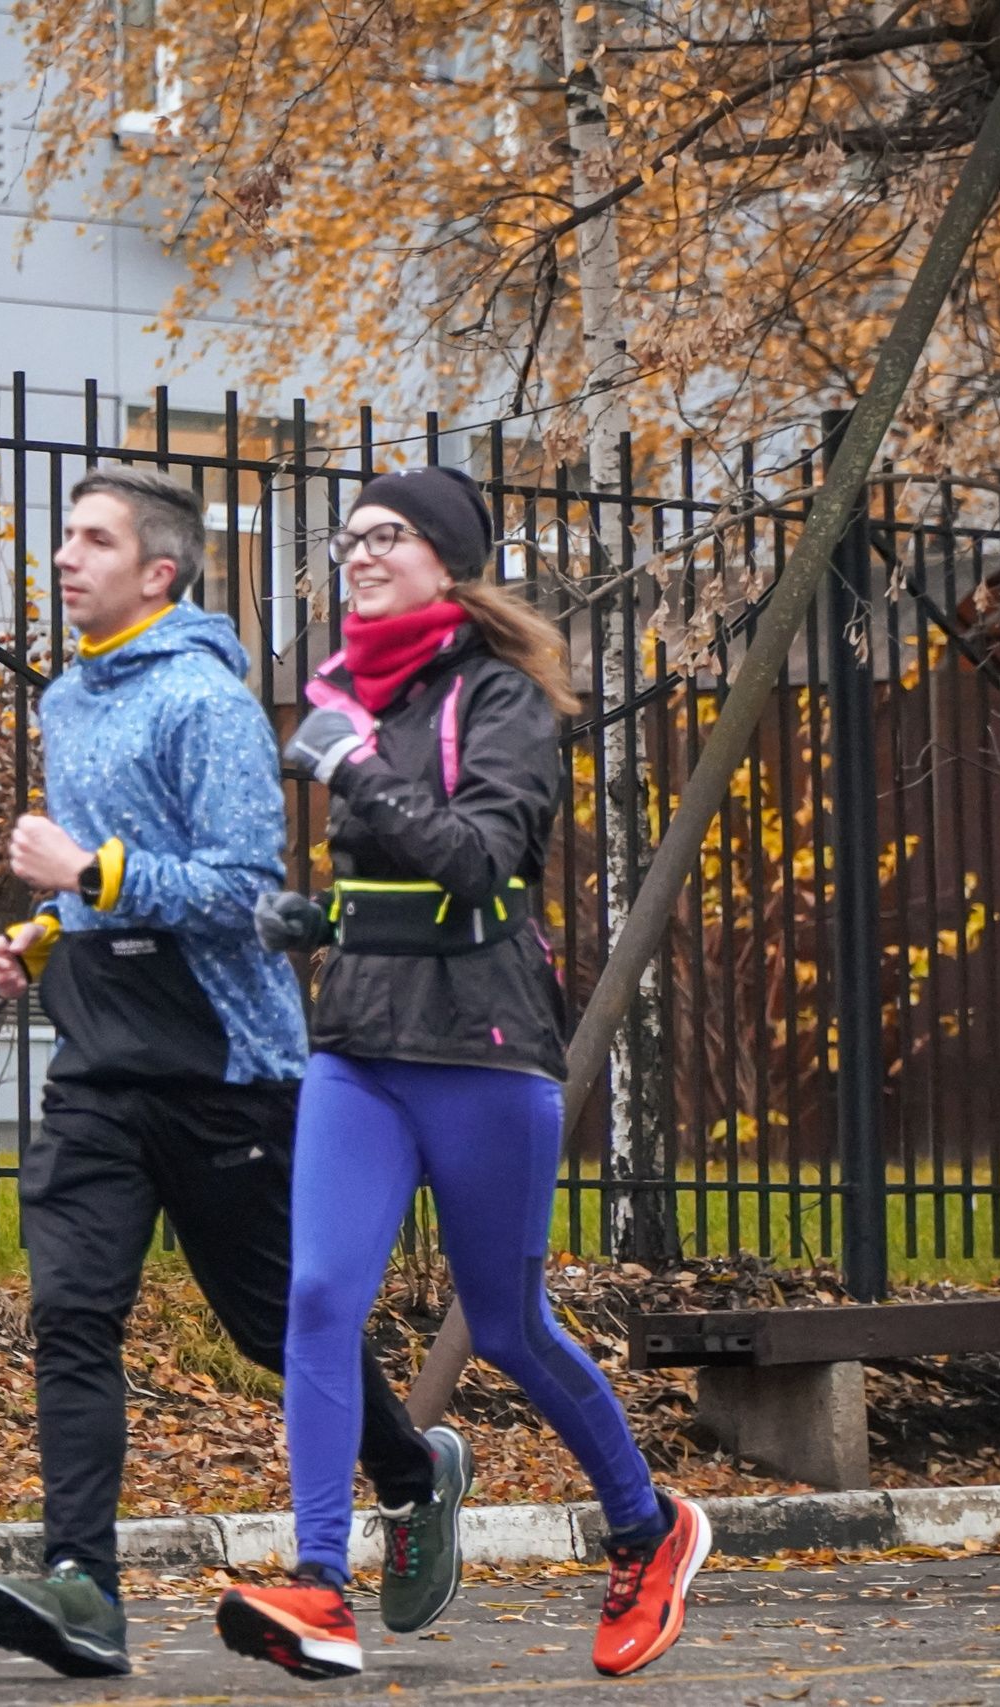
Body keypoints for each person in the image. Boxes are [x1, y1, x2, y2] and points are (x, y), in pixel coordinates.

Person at [0, 465, 471, 1679]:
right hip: (100, 1065)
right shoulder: (66, 699)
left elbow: (245, 891)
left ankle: (411, 1475)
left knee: (273, 1325)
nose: (64, 557)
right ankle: (83, 1584)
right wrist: (40, 935)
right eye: (65, 536)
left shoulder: (207, 703)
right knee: (71, 1315)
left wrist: (85, 873)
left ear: (159, 572)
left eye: (94, 540)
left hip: (224, 1068)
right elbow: (100, 889)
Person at [214, 466, 712, 1682]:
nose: (360, 552)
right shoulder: (356, 696)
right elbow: (398, 875)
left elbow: (480, 864)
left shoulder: (503, 700)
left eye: (387, 535)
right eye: (350, 537)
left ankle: (646, 1529)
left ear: (446, 560)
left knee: (505, 1326)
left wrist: (351, 767)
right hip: (360, 1049)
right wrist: (322, 919)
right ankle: (320, 1586)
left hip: (484, 1050)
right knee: (316, 1298)